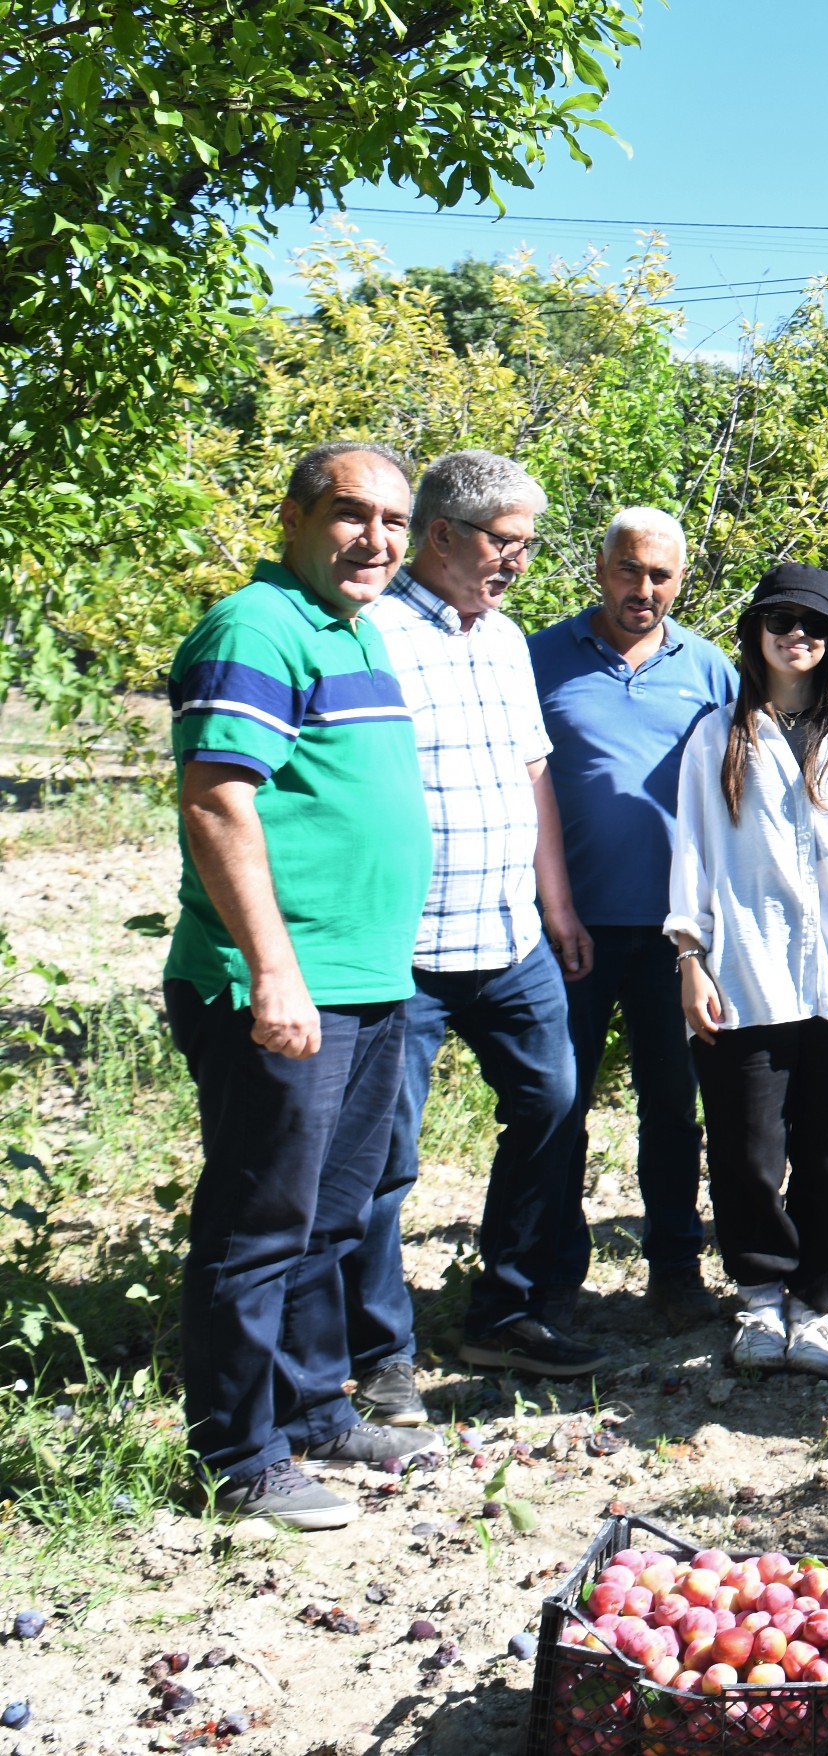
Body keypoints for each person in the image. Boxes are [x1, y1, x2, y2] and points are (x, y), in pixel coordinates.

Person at [167, 440, 440, 1530]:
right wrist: (274, 971)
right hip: (283, 985)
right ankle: (237, 1455)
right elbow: (217, 800)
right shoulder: (256, 626)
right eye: (349, 513)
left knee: (333, 1214)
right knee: (258, 1221)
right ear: (290, 514)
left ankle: (314, 1409)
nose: (374, 539)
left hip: (365, 979)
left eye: (391, 520)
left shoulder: (353, 630)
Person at [357, 450, 606, 1406]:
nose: (518, 563)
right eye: (506, 543)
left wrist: (558, 903)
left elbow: (531, 772)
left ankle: (504, 1310)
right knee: (387, 1157)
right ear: (442, 535)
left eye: (529, 547)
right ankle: (380, 1352)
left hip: (508, 937)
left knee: (550, 1106)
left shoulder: (506, 640)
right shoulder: (370, 632)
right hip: (402, 947)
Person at [667, 564, 828, 1377]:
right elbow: (692, 853)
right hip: (746, 971)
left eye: (814, 625)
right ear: (755, 635)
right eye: (780, 620)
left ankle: (817, 1306)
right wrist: (690, 957)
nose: (797, 636)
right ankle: (757, 1297)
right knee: (746, 1151)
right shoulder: (718, 736)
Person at [530, 507, 737, 1334]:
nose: (641, 589)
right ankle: (549, 1276)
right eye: (627, 569)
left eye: (660, 575)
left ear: (680, 580)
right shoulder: (540, 658)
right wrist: (553, 908)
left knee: (672, 1105)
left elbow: (736, 795)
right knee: (556, 1104)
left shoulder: (712, 670)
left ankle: (677, 1269)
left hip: (676, 935)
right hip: (564, 928)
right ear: (599, 566)